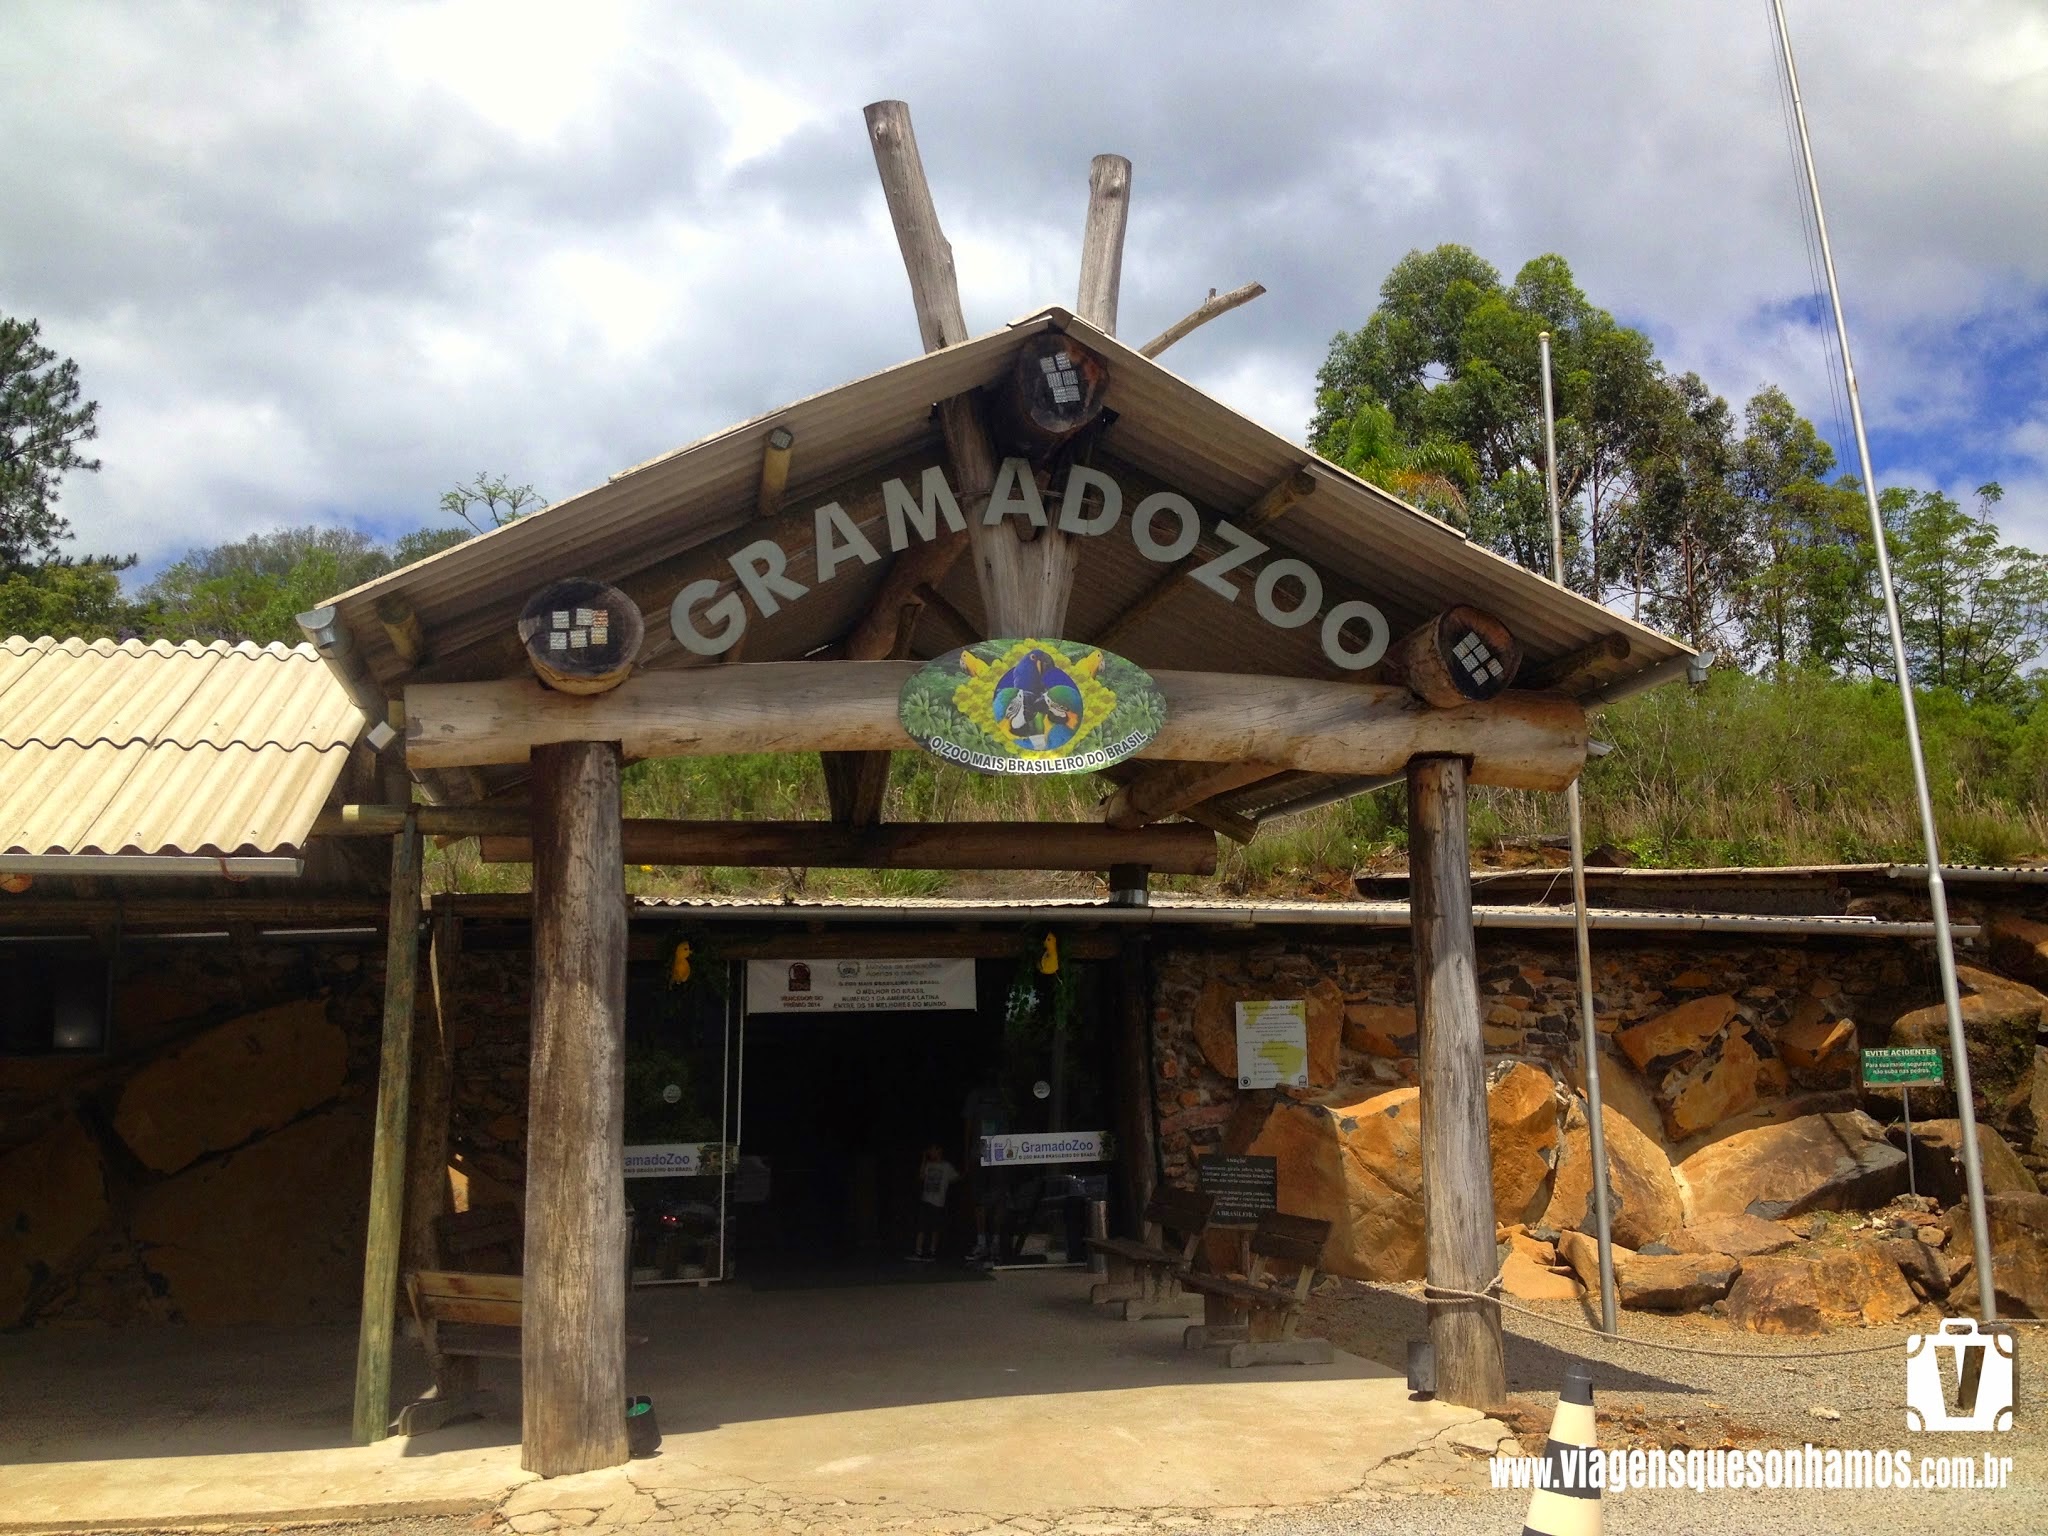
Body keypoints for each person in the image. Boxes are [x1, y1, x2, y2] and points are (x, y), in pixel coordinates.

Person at [910, 1142, 959, 1262]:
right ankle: (918, 1252)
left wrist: (945, 1185)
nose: (931, 1153)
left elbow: (956, 1178)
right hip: (926, 1199)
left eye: (933, 1150)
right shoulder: (928, 1165)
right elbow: (921, 1177)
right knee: (921, 1226)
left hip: (938, 1202)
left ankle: (932, 1252)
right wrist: (923, 1160)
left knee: (935, 1228)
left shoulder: (946, 1166)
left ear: (939, 1151)